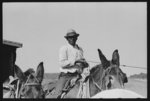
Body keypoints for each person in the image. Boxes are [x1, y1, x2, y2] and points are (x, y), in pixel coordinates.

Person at [51, 29, 89, 98]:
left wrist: (84, 64)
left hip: (78, 76)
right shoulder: (64, 48)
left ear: (76, 38)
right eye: (70, 37)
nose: (72, 39)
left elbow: (81, 64)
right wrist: (76, 61)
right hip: (66, 76)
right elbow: (62, 63)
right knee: (57, 95)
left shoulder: (80, 49)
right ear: (67, 39)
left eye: (74, 37)